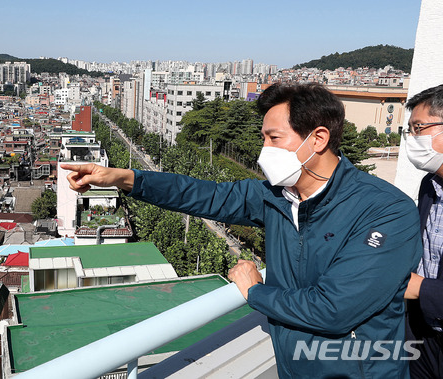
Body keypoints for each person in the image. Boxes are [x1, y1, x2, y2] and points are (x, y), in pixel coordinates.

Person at [62, 83, 422, 378]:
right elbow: (203, 194)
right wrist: (126, 178)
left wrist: (255, 292)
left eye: (273, 138)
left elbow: (333, 310)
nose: (263, 150)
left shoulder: (385, 211)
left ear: (318, 138)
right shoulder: (278, 197)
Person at [404, 84, 443, 378]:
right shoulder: (429, 184)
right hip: (422, 332)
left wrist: (420, 289)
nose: (412, 139)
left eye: (418, 128)